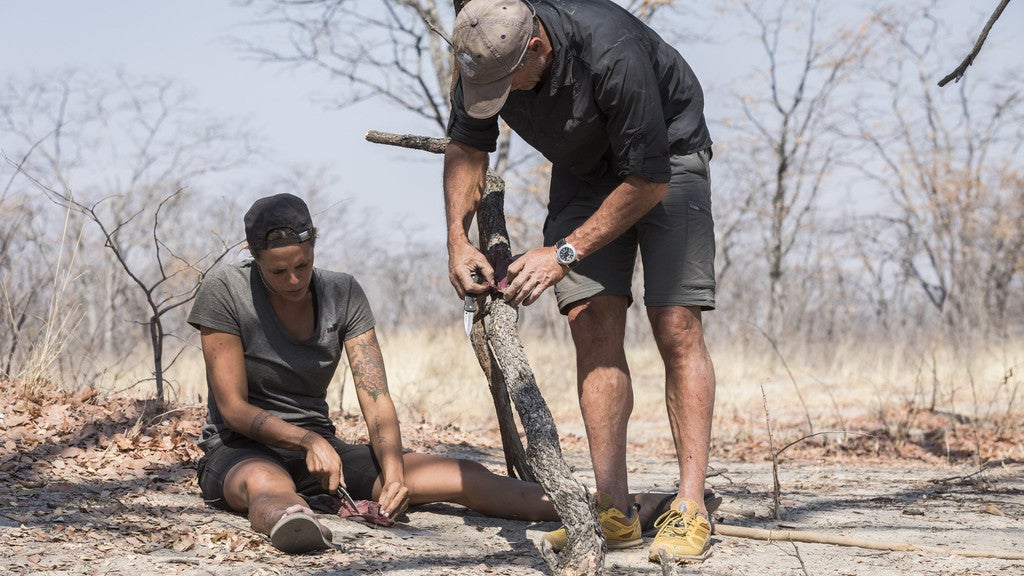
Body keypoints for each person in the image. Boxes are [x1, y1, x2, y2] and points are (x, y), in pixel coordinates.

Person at [188, 193, 687, 553]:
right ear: (253, 259)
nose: (294, 280)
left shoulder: (342, 292)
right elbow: (232, 406)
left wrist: (396, 473)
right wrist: (303, 442)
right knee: (269, 484)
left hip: (325, 450)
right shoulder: (224, 291)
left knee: (462, 475)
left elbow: (377, 399)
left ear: (314, 247)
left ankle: (622, 505)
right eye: (278, 272)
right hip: (241, 449)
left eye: (302, 264)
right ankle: (292, 525)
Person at [444, 0, 717, 564]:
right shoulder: (484, 50)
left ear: (537, 48)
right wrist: (457, 237)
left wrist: (562, 253)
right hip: (583, 171)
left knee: (675, 326)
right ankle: (613, 512)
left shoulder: (611, 52)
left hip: (666, 161)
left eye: (506, 84)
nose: (497, 98)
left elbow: (648, 177)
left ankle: (690, 507)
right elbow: (468, 145)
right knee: (590, 323)